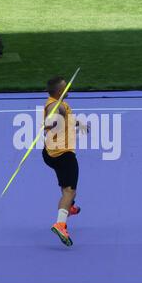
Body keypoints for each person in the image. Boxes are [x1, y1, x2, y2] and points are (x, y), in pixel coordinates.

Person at [42, 76, 89, 246]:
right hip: (63, 155)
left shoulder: (58, 102)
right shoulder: (55, 105)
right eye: (66, 87)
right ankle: (61, 224)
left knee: (65, 186)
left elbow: (65, 116)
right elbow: (53, 115)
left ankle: (69, 206)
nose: (69, 88)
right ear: (60, 91)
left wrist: (79, 124)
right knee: (70, 191)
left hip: (50, 154)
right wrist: (50, 122)